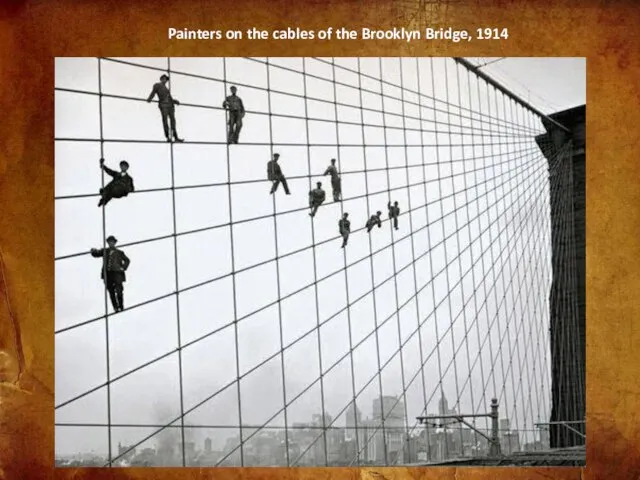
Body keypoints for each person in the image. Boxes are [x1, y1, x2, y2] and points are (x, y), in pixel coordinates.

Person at [90, 235, 130, 312]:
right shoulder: (105, 251)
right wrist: (93, 251)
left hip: (117, 274)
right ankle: (115, 307)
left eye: (112, 242)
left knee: (119, 290)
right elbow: (97, 253)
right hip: (107, 274)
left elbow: (127, 260)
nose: (111, 243)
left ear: (115, 243)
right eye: (109, 242)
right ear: (108, 243)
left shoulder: (120, 252)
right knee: (111, 291)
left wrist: (123, 268)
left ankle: (121, 306)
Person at [146, 74, 184, 143]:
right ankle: (168, 137)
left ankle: (175, 137)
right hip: (163, 105)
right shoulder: (157, 85)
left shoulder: (166, 89)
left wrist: (175, 101)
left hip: (170, 106)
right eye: (164, 79)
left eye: (166, 79)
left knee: (173, 121)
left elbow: (170, 98)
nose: (165, 80)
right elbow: (153, 92)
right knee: (165, 121)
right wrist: (149, 99)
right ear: (161, 79)